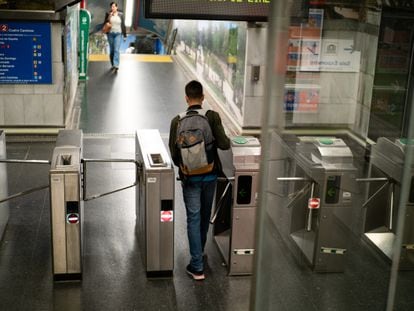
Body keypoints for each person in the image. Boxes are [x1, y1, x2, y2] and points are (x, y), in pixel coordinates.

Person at [169, 80, 230, 280]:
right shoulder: (212, 117)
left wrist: (186, 166)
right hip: (210, 175)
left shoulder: (177, 121)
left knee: (193, 219)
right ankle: (199, 253)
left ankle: (196, 265)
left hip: (190, 179)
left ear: (186, 98)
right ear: (203, 98)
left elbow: (174, 153)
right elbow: (224, 144)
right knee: (204, 216)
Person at [103, 2, 126, 71]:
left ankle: (116, 65)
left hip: (118, 34)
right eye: (112, 7)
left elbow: (123, 25)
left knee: (116, 49)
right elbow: (105, 24)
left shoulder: (121, 15)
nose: (113, 8)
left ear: (117, 7)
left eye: (114, 6)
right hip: (110, 34)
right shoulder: (108, 14)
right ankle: (113, 64)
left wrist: (125, 35)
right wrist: (109, 16)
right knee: (112, 50)